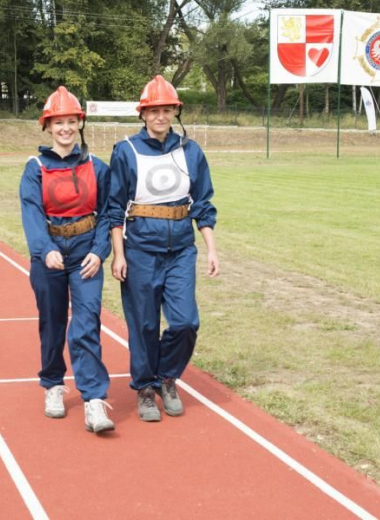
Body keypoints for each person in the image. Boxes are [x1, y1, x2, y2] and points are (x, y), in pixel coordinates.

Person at [108, 75, 219, 422]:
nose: (160, 116)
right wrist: (119, 254)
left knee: (185, 322)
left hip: (181, 251)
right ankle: (144, 387)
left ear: (174, 112)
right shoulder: (126, 151)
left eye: (166, 110)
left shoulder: (191, 151)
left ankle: (167, 378)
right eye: (153, 110)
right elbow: (114, 208)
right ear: (143, 114)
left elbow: (202, 203)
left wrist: (212, 249)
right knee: (143, 325)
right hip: (140, 250)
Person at [19, 86, 114, 433]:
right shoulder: (35, 169)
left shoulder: (97, 167)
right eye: (58, 122)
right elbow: (31, 213)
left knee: (87, 323)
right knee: (53, 322)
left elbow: (108, 213)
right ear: (48, 126)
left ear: (79, 124)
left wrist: (98, 251)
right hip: (50, 256)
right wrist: (46, 250)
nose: (65, 128)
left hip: (86, 253)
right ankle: (53, 384)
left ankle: (93, 399)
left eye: (71, 121)